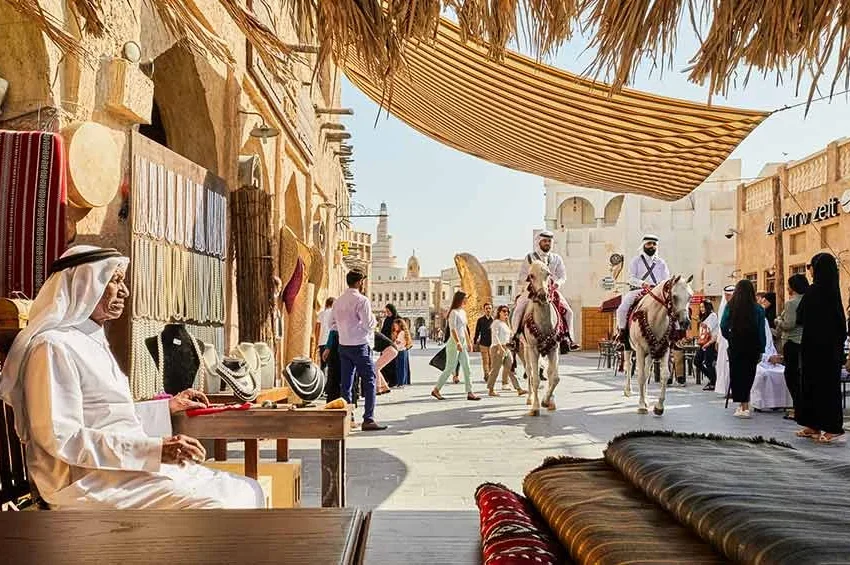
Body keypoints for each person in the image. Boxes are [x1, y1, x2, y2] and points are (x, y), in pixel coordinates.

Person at [0, 245, 264, 509]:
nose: (124, 291)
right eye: (114, 280)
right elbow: (63, 438)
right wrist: (154, 450)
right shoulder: (53, 346)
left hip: (122, 470)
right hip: (85, 482)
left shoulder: (88, 339)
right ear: (84, 285)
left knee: (248, 489)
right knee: (218, 506)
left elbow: (108, 416)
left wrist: (166, 408)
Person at [796, 253, 846, 443]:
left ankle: (833, 428)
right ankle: (814, 425)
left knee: (822, 387)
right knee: (818, 386)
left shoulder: (816, 291)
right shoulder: (832, 291)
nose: (809, 270)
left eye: (811, 266)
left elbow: (800, 316)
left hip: (819, 349)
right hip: (825, 348)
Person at [331, 270, 388, 431]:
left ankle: (348, 419)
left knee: (346, 383)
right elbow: (369, 324)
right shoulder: (362, 300)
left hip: (344, 345)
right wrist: (363, 328)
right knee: (369, 381)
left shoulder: (338, 301)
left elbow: (331, 324)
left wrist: (345, 330)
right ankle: (368, 419)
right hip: (360, 345)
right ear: (359, 282)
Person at [511, 230, 578, 350]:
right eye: (545, 241)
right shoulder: (530, 257)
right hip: (532, 290)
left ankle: (568, 338)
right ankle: (514, 337)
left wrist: (557, 284)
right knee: (519, 308)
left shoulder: (556, 258)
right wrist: (532, 284)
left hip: (551, 290)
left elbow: (562, 276)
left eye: (549, 241)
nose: (547, 243)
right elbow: (522, 276)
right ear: (539, 242)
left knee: (569, 311)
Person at [720, 279, 767, 419]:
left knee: (737, 374)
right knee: (748, 374)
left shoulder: (730, 306)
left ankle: (743, 405)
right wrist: (762, 348)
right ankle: (745, 405)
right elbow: (761, 331)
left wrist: (729, 337)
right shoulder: (758, 309)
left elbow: (723, 325)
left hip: (736, 345)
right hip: (753, 346)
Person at [616, 234, 671, 346]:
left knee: (674, 307)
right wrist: (643, 284)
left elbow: (666, 279)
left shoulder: (661, 263)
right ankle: (622, 334)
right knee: (622, 309)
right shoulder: (636, 261)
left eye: (654, 244)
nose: (652, 246)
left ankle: (677, 336)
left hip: (657, 292)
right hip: (638, 290)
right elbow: (631, 278)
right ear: (644, 245)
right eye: (649, 243)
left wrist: (660, 287)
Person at [431, 291, 481, 401]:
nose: (467, 300)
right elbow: (453, 329)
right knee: (449, 368)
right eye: (465, 298)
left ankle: (470, 392)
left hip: (462, 343)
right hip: (454, 343)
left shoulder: (463, 312)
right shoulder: (453, 313)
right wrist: (458, 342)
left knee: (467, 367)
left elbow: (464, 328)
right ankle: (436, 390)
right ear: (460, 299)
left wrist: (469, 342)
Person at [775, 274, 808, 420]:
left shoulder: (791, 303)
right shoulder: (808, 300)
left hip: (792, 342)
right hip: (805, 342)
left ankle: (798, 408)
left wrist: (778, 321)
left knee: (791, 376)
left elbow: (789, 324)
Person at [486, 306, 527, 397]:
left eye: (507, 311)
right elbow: (495, 335)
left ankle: (519, 389)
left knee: (510, 368)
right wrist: (500, 347)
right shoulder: (496, 322)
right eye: (504, 311)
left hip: (507, 348)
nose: (506, 313)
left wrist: (508, 322)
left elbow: (511, 335)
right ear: (499, 312)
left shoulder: (505, 324)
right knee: (495, 369)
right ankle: (491, 389)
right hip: (497, 348)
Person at [714, 285, 735, 398]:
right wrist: (718, 340)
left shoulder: (734, 306)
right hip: (723, 340)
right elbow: (720, 326)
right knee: (722, 364)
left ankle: (732, 389)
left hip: (732, 339)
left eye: (729, 295)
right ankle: (725, 388)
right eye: (726, 295)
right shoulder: (724, 307)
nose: (727, 297)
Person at [695, 300, 719, 391]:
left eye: (703, 307)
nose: (701, 309)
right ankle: (713, 379)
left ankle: (713, 382)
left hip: (710, 342)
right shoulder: (703, 317)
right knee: (697, 361)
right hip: (703, 342)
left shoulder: (713, 316)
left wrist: (701, 323)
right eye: (700, 307)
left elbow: (709, 329)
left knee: (709, 363)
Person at [378, 304, 399, 386]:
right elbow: (383, 331)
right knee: (384, 363)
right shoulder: (387, 319)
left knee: (393, 363)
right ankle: (384, 380)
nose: (387, 313)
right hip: (385, 343)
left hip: (393, 344)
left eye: (388, 311)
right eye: (386, 311)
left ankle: (393, 381)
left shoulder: (397, 319)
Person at [474, 303, 494, 382]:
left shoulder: (494, 320)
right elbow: (477, 331)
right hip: (483, 343)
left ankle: (490, 374)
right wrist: (475, 341)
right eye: (486, 308)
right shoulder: (480, 320)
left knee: (491, 361)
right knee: (485, 360)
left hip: (492, 344)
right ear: (484, 310)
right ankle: (486, 375)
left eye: (489, 308)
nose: (488, 310)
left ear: (492, 309)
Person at [316, 297, 335, 370]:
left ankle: (323, 377)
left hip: (322, 342)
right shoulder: (335, 314)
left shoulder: (321, 314)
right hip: (332, 342)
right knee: (332, 366)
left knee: (323, 365)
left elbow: (317, 329)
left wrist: (317, 341)